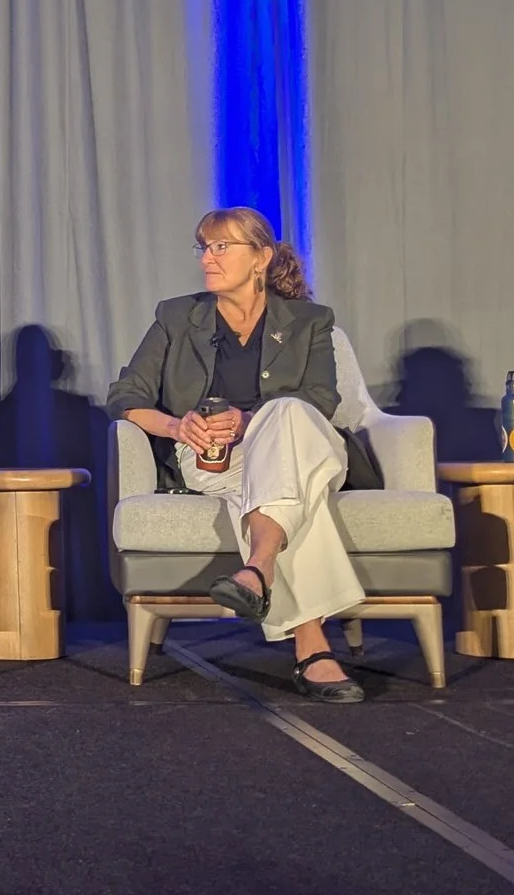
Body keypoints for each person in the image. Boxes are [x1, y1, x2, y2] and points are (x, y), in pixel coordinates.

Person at [107, 207, 367, 702]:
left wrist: (254, 421)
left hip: (305, 444)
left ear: (261, 259)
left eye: (222, 247)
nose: (209, 257)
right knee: (291, 498)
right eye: (204, 247)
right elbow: (125, 395)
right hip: (215, 458)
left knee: (286, 413)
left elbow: (322, 399)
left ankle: (261, 564)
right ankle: (312, 647)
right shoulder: (177, 316)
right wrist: (177, 426)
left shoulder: (310, 321)